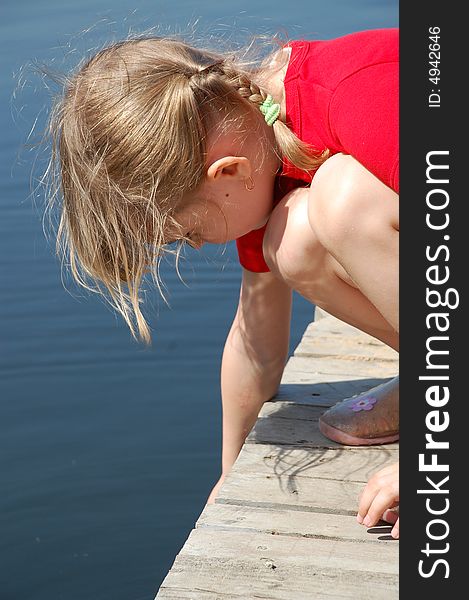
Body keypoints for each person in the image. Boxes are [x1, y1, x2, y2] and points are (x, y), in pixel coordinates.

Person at [45, 28, 399, 526]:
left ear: (228, 173)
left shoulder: (361, 97)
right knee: (293, 241)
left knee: (344, 201)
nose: (195, 246)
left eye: (187, 231)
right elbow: (256, 341)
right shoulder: (263, 149)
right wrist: (229, 475)